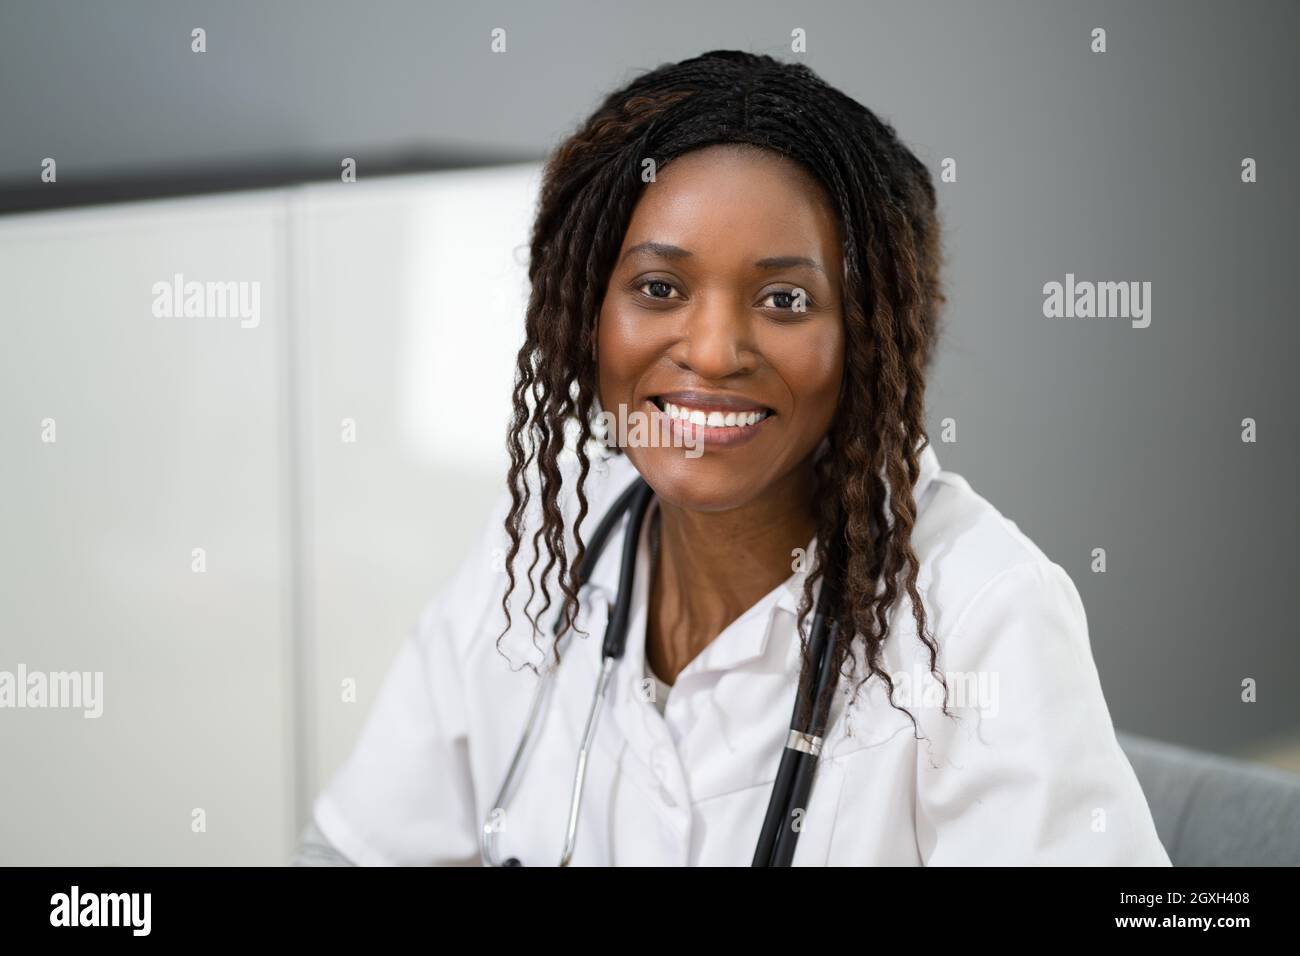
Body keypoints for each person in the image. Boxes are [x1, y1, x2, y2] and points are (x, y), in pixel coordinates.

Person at [295, 49, 1170, 866]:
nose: (713, 352)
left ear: (868, 340)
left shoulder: (982, 615)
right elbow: (355, 851)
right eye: (658, 288)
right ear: (584, 318)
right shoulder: (542, 548)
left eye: (785, 299)